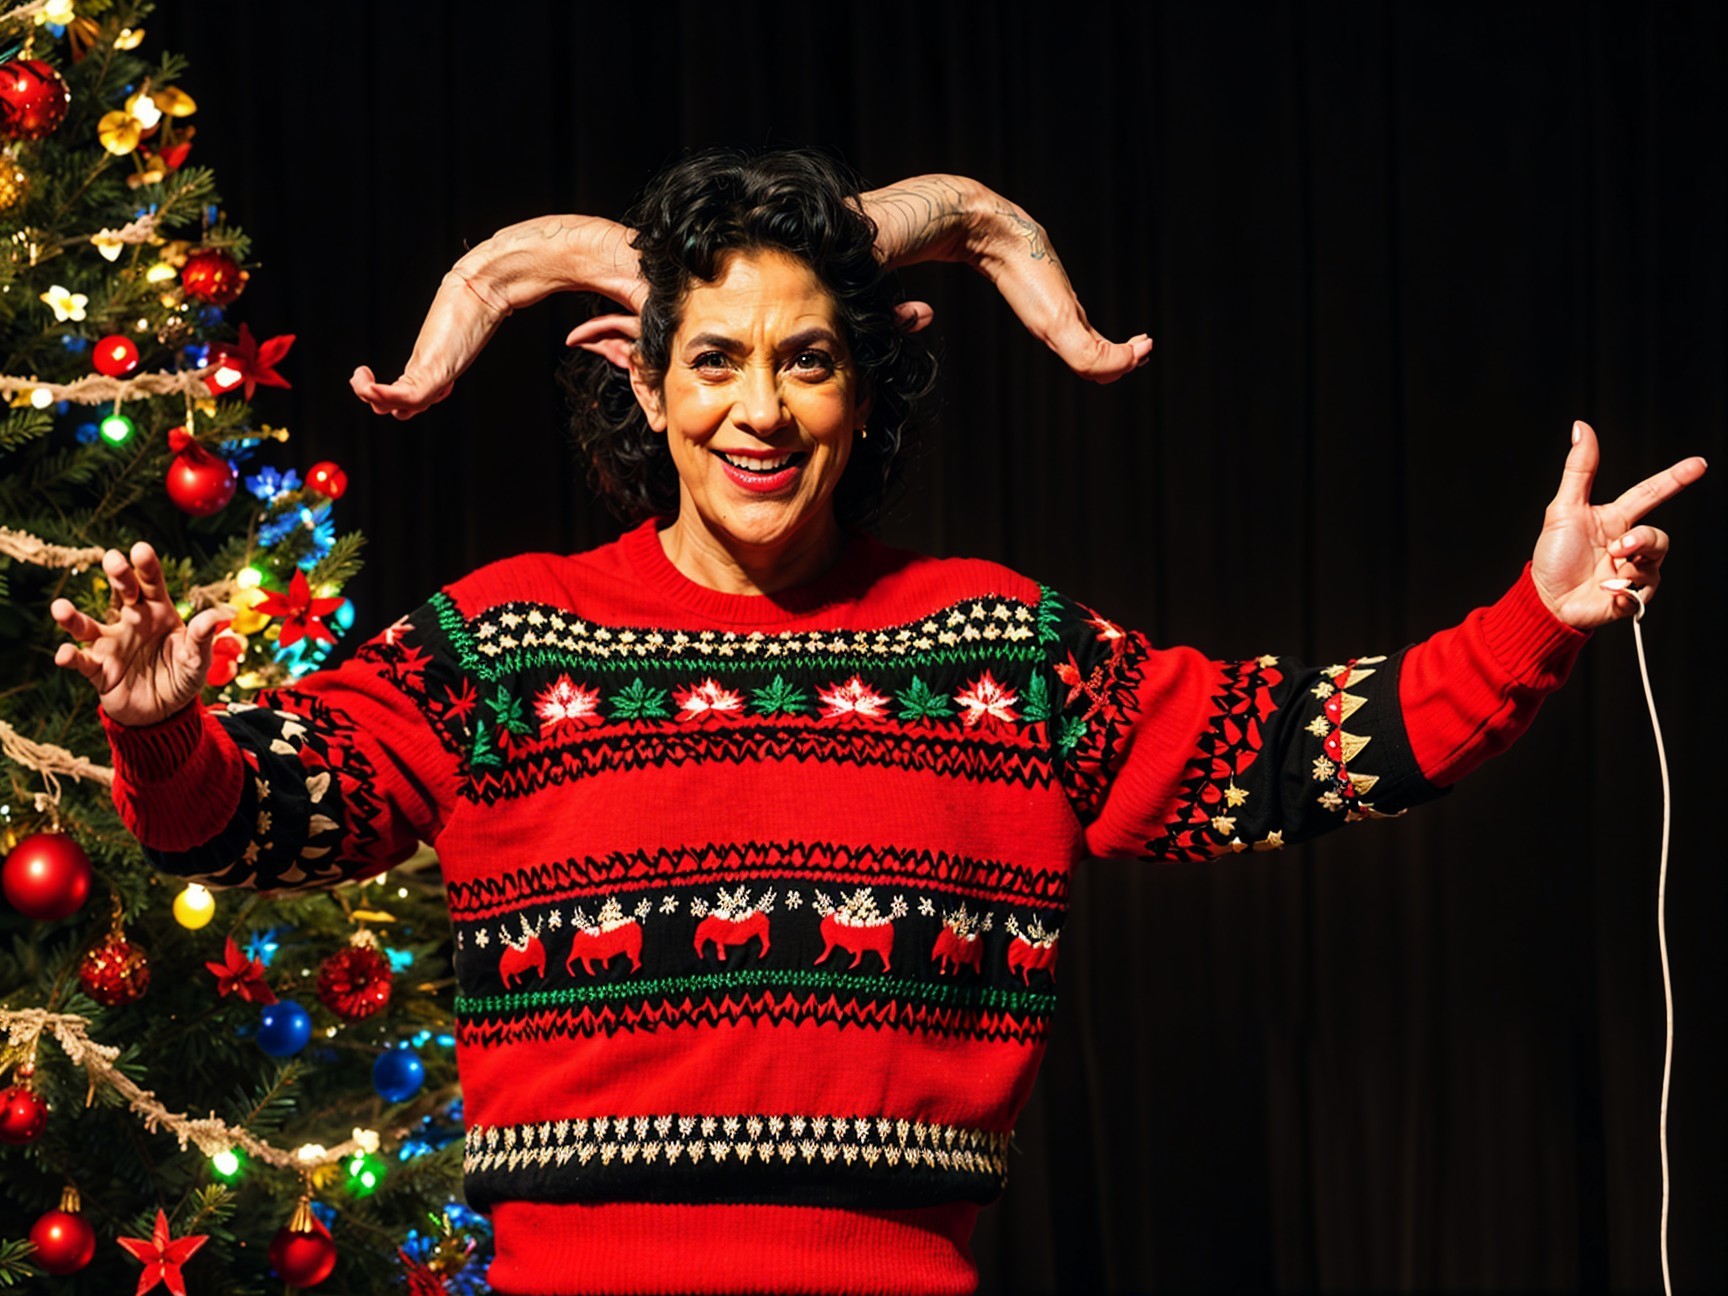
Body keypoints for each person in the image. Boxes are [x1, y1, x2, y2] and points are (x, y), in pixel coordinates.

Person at [53, 149, 1704, 1295]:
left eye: (807, 360)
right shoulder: (503, 640)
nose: (756, 410)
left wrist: (1532, 621)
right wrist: (160, 734)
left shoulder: (1000, 649)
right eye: (711, 361)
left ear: (879, 370)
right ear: (637, 374)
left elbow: (1294, 745)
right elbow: (272, 810)